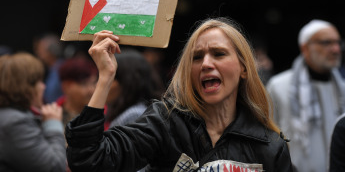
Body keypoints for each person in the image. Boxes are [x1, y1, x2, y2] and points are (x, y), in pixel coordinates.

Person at [65, 17, 293, 172]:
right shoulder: (165, 123)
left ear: (244, 69)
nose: (205, 63)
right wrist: (105, 77)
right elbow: (88, 160)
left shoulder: (270, 146)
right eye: (196, 57)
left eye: (219, 54)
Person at [266, 19, 345, 172]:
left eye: (337, 42)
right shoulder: (279, 86)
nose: (336, 49)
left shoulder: (342, 87)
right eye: (326, 42)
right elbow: (268, 139)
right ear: (305, 48)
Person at [0, 52, 66, 172]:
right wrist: (53, 123)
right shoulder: (15, 122)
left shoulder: (9, 115)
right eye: (38, 82)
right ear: (24, 87)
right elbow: (55, 167)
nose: (43, 87)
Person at [106, 48, 165, 129]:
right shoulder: (133, 112)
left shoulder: (134, 115)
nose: (101, 83)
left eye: (109, 78)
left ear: (126, 82)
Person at [56, 56, 98, 129]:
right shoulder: (53, 116)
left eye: (94, 83)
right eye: (84, 84)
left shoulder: (104, 114)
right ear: (66, 86)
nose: (91, 90)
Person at [33, 33, 65, 104]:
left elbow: (51, 97)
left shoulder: (61, 70)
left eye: (40, 49)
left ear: (51, 51)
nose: (38, 52)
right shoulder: (52, 69)